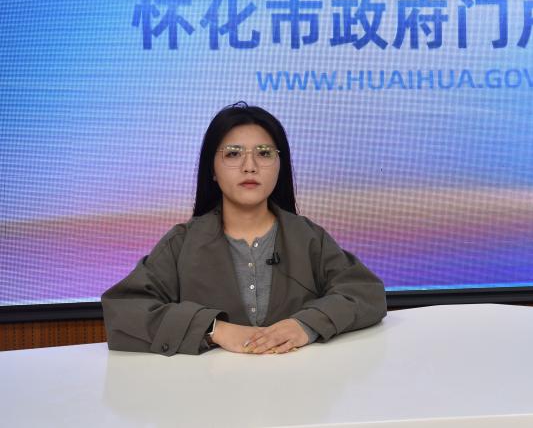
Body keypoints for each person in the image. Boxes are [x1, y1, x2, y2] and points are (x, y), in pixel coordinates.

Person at [102, 103, 387, 355]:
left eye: (264, 153)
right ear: (212, 169)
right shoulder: (181, 243)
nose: (249, 166)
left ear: (279, 166)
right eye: (233, 154)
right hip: (208, 391)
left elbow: (365, 293)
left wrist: (305, 325)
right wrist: (214, 329)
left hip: (297, 388)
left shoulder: (307, 237)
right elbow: (124, 309)